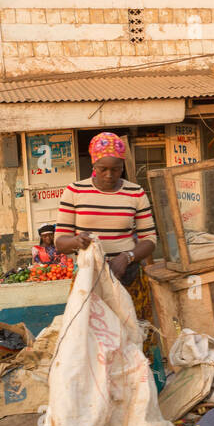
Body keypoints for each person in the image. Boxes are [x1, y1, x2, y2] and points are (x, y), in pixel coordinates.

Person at [54, 133, 158, 342]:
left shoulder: (135, 193)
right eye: (103, 169)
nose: (109, 174)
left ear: (123, 166)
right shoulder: (74, 192)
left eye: (116, 169)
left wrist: (127, 257)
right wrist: (76, 242)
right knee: (91, 343)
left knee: (134, 339)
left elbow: (150, 240)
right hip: (88, 280)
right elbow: (60, 242)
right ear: (94, 163)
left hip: (127, 277)